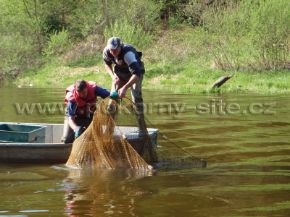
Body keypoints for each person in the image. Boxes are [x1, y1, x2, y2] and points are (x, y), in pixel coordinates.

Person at [103, 37, 145, 129]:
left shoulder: (128, 54)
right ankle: (109, 129)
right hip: (120, 72)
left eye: (115, 50)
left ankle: (142, 129)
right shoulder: (107, 51)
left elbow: (137, 74)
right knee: (112, 100)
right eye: (111, 50)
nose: (113, 52)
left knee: (136, 100)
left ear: (120, 47)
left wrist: (125, 87)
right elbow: (107, 64)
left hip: (135, 74)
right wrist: (113, 76)